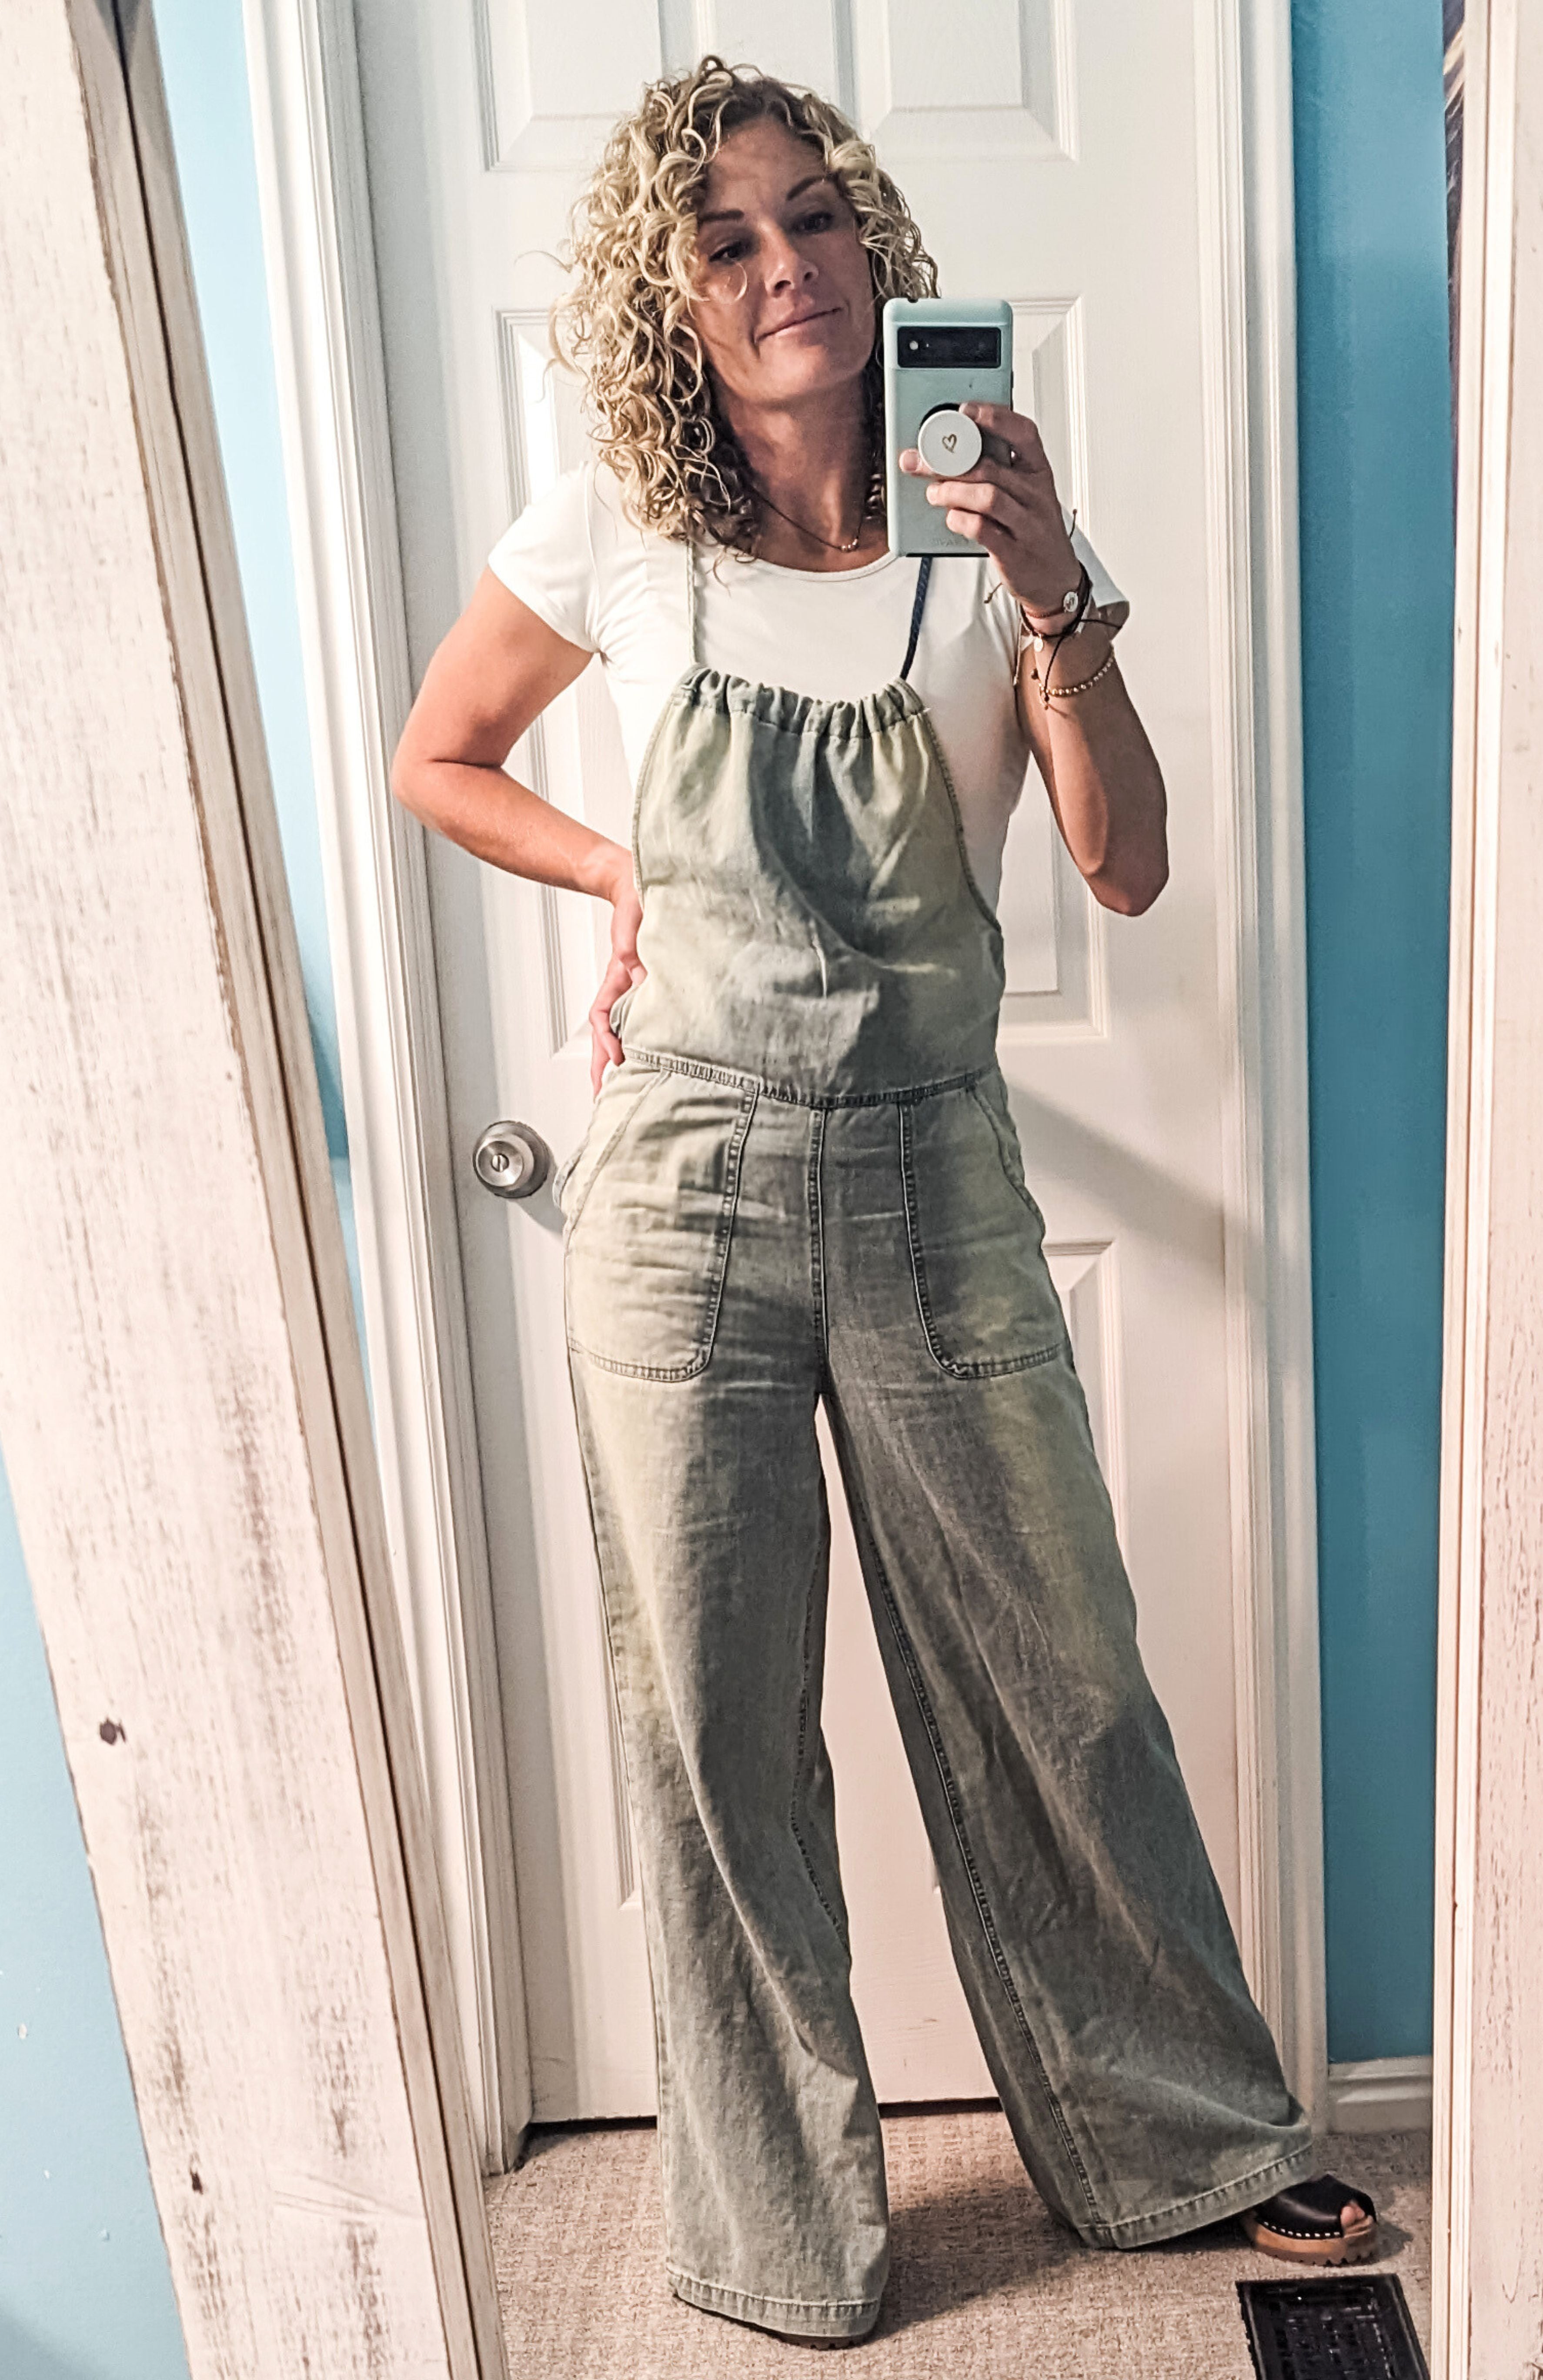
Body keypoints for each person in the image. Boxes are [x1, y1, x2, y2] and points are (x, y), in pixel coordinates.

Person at [393, 55, 1376, 2349]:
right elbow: (439, 758)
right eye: (727, 241)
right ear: (675, 296)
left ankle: (1190, 2143)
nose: (784, 269)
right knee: (714, 1732)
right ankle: (779, 2232)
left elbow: (1125, 867)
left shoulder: (989, 529)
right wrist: (617, 867)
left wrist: (1053, 592)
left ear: (872, 244)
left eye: (814, 218)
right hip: (684, 1199)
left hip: (936, 1179)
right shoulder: (612, 531)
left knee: (1064, 1681)